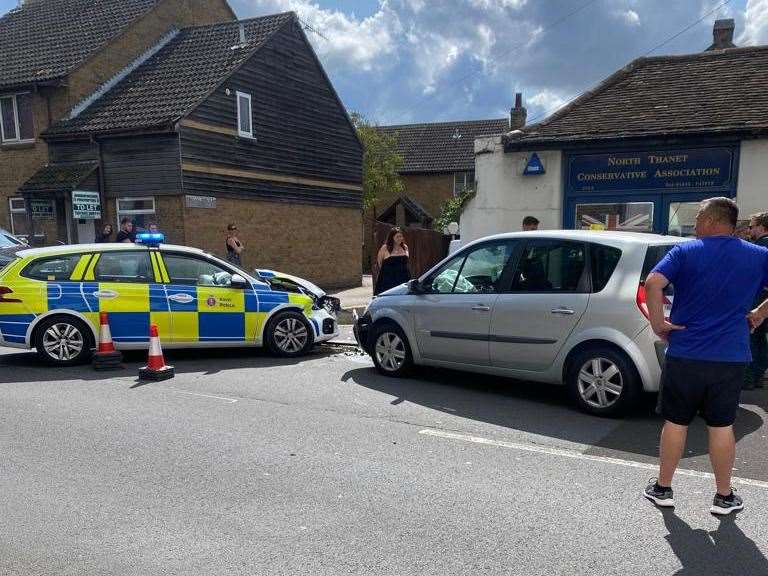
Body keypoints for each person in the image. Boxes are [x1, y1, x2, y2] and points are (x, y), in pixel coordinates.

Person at [642, 197, 768, 516]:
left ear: (711, 220)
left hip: (686, 351)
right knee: (722, 425)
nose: (695, 223)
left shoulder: (686, 250)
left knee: (676, 422)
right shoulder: (759, 255)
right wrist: (760, 313)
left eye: (698, 217)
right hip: (730, 356)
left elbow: (654, 283)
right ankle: (724, 497)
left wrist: (658, 324)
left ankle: (663, 488)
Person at [745, 211, 768, 389]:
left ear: (761, 226)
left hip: (757, 297)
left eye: (751, 226)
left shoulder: (758, 250)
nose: (748, 230)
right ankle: (759, 375)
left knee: (751, 336)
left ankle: (749, 378)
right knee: (761, 338)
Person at [375, 227, 410, 295]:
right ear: (392, 237)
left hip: (404, 278)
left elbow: (406, 262)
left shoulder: (405, 247)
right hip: (388, 280)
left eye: (401, 236)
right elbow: (379, 263)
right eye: (397, 237)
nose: (400, 238)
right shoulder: (385, 248)